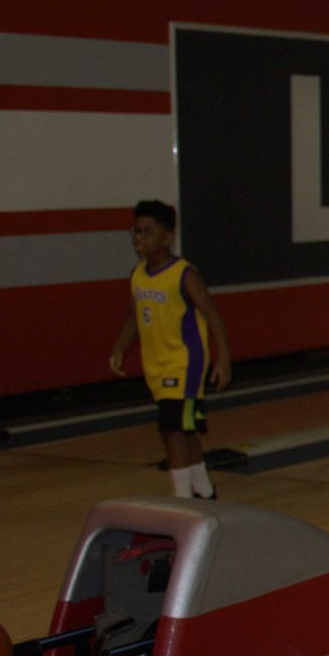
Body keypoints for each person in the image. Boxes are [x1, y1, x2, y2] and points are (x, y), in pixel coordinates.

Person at [108, 199, 233, 499]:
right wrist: (119, 349)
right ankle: (203, 490)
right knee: (185, 429)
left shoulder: (184, 274)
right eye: (135, 232)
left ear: (167, 237)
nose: (139, 238)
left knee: (171, 430)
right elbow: (133, 318)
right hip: (157, 367)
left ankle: (182, 500)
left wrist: (224, 359)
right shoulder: (138, 276)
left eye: (147, 232)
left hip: (184, 366)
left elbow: (212, 314)